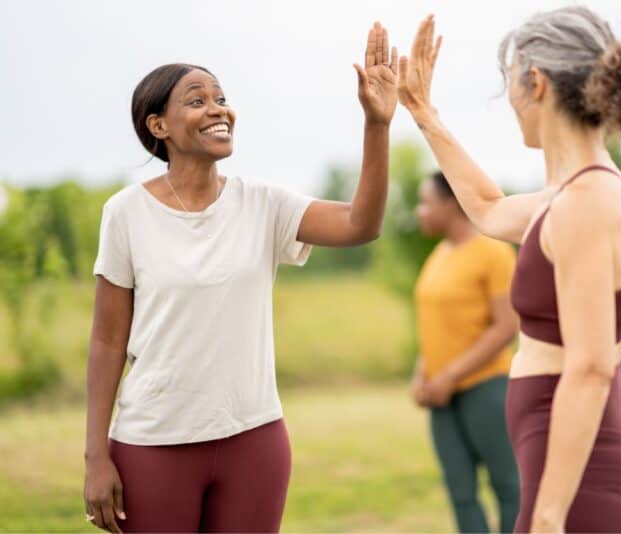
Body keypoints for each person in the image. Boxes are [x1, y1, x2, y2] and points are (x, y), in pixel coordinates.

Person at [83, 22, 398, 533]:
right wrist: (96, 455)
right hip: (153, 444)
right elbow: (106, 340)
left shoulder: (263, 203)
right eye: (197, 100)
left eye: (221, 97)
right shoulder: (125, 213)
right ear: (158, 126)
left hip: (254, 440)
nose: (217, 109)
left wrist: (376, 125)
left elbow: (361, 223)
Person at [397, 7, 621, 532]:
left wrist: (546, 514)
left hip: (583, 469)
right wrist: (424, 112)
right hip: (562, 455)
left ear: (536, 83)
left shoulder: (587, 201)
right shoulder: (570, 195)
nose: (510, 103)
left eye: (510, 85)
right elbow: (488, 207)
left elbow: (588, 366)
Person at [412, 170, 520, 532]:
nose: (419, 212)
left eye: (425, 203)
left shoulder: (494, 252)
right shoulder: (438, 256)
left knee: (509, 488)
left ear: (449, 204)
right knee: (461, 494)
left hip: (486, 388)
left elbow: (507, 326)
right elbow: (436, 325)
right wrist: (422, 374)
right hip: (442, 398)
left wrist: (451, 375)